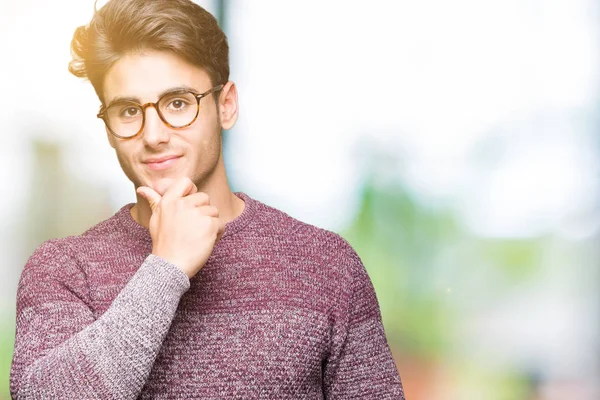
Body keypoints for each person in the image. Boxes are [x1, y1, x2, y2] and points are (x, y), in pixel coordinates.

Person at [9, 0, 405, 398]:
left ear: (226, 105)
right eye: (129, 111)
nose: (153, 135)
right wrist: (164, 269)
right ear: (109, 128)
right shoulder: (63, 270)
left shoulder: (326, 265)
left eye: (178, 103)